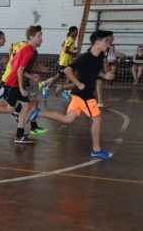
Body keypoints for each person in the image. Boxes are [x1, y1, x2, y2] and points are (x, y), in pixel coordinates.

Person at [28, 30, 114, 159]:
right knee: (98, 119)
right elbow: (68, 70)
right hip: (83, 94)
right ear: (97, 42)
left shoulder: (100, 56)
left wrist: (104, 75)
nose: (108, 44)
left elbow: (95, 72)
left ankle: (38, 112)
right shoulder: (84, 57)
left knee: (68, 119)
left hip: (81, 94)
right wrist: (78, 83)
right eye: (106, 41)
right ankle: (96, 150)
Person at [0, 25, 43, 144]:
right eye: (39, 36)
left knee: (21, 107)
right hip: (13, 84)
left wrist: (30, 76)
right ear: (31, 37)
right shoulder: (28, 51)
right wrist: (21, 88)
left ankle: (19, 135)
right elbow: (20, 70)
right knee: (11, 108)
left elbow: (15, 63)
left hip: (13, 82)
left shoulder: (24, 49)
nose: (41, 39)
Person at [38, 26, 78, 100]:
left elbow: (63, 46)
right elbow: (66, 50)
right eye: (76, 31)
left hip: (67, 61)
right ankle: (46, 87)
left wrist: (74, 48)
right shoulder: (71, 40)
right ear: (72, 32)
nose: (77, 32)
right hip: (64, 61)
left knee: (68, 76)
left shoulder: (69, 40)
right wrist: (73, 53)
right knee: (57, 76)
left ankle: (65, 91)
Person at [98, 32, 118, 108]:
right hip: (92, 65)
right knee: (86, 82)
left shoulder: (105, 46)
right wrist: (107, 73)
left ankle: (100, 102)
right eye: (112, 37)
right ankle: (65, 88)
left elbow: (104, 60)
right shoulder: (105, 46)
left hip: (94, 65)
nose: (113, 39)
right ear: (108, 38)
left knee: (99, 82)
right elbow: (104, 61)